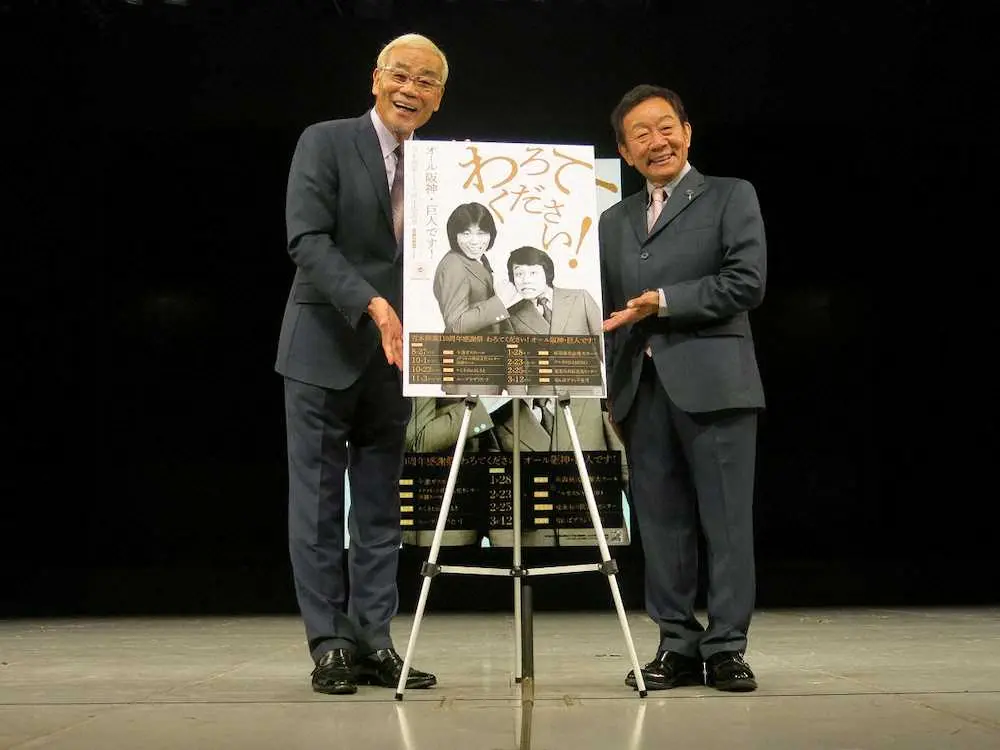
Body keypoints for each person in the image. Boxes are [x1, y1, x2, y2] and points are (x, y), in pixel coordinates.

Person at [274, 33, 447, 696]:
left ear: (438, 99)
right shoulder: (325, 141)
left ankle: (375, 641)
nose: (410, 89)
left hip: (395, 359)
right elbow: (306, 239)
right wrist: (373, 304)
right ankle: (330, 645)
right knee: (318, 507)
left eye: (426, 82)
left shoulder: (438, 166)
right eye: (401, 75)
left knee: (380, 510)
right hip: (324, 345)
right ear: (376, 79)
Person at [599, 84, 766, 692]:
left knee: (727, 525)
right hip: (641, 389)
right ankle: (676, 642)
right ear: (625, 152)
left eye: (665, 127)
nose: (657, 141)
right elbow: (607, 310)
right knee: (660, 525)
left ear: (687, 132)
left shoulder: (730, 195)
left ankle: (726, 647)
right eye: (640, 134)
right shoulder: (613, 221)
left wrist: (665, 301)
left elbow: (746, 282)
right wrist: (610, 389)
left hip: (715, 385)